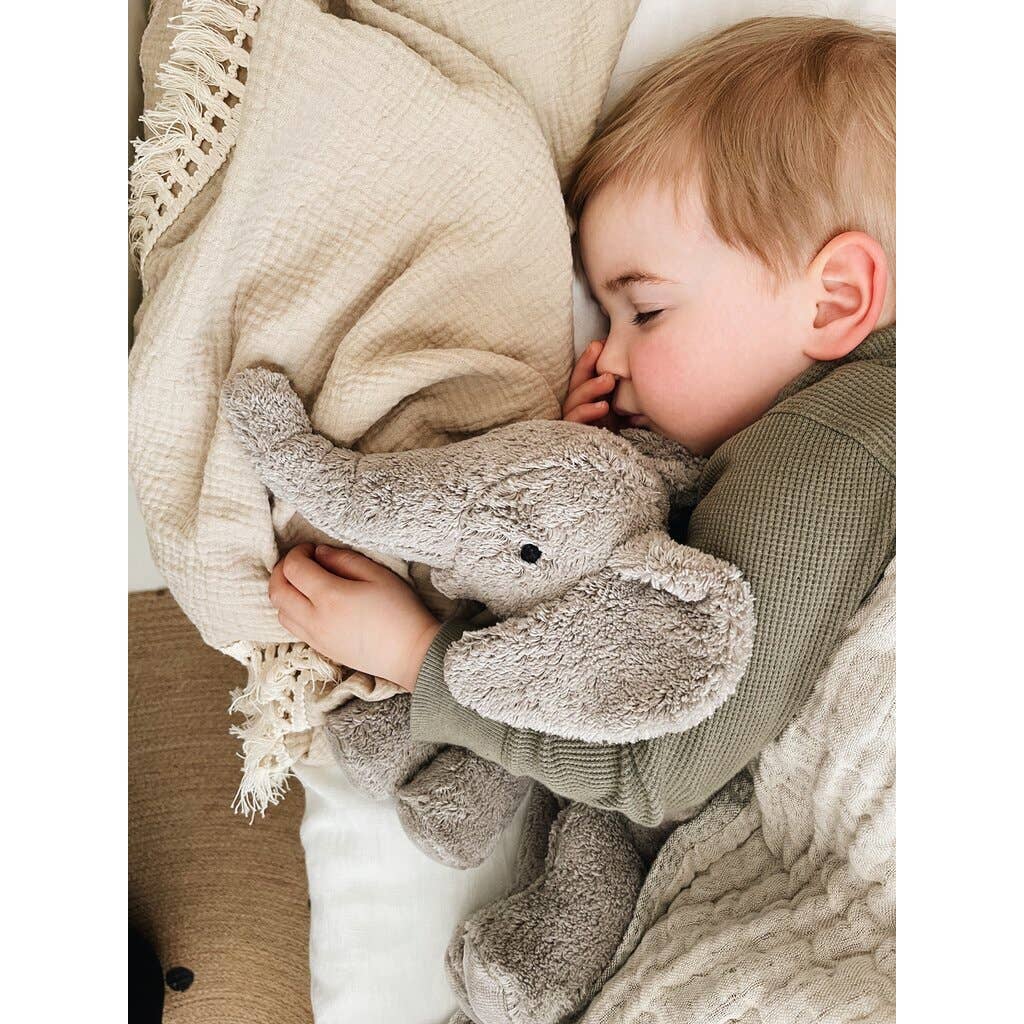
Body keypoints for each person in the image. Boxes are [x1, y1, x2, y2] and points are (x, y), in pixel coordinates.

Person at [265, 16, 896, 826]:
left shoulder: (834, 447)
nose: (608, 354)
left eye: (647, 310)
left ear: (836, 299)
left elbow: (659, 765)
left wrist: (417, 655)